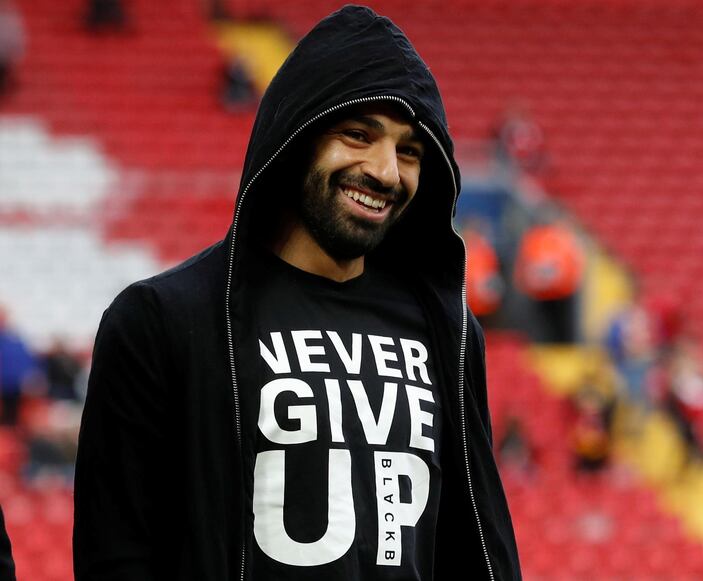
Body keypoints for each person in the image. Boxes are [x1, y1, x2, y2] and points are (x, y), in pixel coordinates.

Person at [73, 6, 522, 581]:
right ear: (298, 139)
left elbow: (474, 548)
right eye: (358, 135)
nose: (386, 171)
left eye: (409, 150)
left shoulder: (449, 334)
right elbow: (117, 556)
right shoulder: (161, 321)